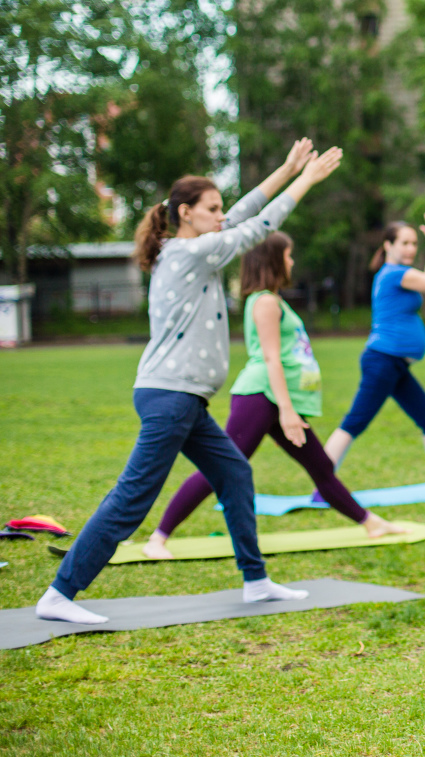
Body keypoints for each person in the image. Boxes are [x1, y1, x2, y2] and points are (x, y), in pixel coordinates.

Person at [35, 141, 343, 625]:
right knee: (133, 497)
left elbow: (240, 214)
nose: (221, 215)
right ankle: (60, 592)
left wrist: (284, 168)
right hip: (170, 397)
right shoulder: (188, 255)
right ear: (186, 213)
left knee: (235, 474)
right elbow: (255, 227)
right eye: (212, 208)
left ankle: (256, 582)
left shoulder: (185, 248)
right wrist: (306, 180)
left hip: (185, 399)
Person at [141, 232, 406, 560]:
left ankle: (371, 523)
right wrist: (286, 410)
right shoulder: (266, 302)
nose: (292, 261)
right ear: (272, 259)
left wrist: (287, 407)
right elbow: (271, 358)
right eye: (288, 255)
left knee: (320, 465)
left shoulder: (272, 300)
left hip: (276, 399)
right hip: (261, 397)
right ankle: (158, 538)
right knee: (220, 468)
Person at [323, 210, 425, 494]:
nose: (409, 249)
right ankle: (322, 486)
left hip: (394, 366)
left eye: (413, 244)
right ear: (388, 246)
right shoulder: (395, 274)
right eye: (404, 243)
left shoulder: (401, 275)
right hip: (382, 362)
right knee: (354, 422)